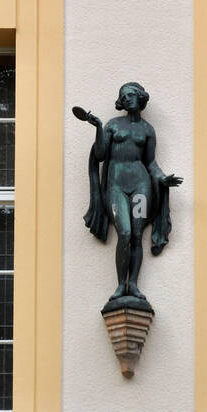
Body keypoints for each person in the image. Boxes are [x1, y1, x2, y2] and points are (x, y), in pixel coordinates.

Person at [77, 82, 183, 311]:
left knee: (136, 234)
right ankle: (119, 286)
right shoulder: (113, 125)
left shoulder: (147, 130)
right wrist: (97, 128)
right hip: (116, 186)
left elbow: (151, 162)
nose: (127, 99)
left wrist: (163, 179)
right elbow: (100, 154)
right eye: (123, 96)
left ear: (141, 98)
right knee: (123, 232)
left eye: (131, 95)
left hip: (141, 185)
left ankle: (133, 284)